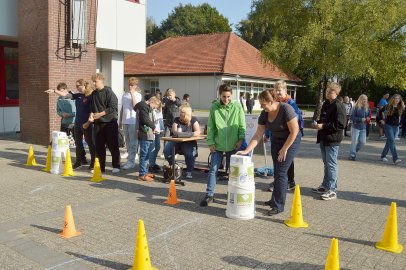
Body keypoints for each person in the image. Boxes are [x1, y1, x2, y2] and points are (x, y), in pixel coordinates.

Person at [237, 89, 301, 215]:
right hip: (277, 140)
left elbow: (295, 131)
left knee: (281, 172)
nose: (261, 106)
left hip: (291, 140)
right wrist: (246, 151)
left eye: (263, 104)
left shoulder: (286, 109)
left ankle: (278, 205)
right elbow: (258, 135)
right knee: (277, 171)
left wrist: (285, 148)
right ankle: (273, 200)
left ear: (271, 101)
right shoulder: (264, 114)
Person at [200, 84, 246, 207]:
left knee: (233, 171)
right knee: (213, 169)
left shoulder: (237, 106)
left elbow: (242, 124)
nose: (226, 99)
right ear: (219, 95)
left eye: (229, 97)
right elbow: (211, 126)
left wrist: (241, 139)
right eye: (224, 96)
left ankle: (231, 193)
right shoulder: (214, 107)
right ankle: (209, 195)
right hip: (218, 144)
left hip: (233, 144)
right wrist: (210, 142)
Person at [45, 80, 95, 170]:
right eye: (76, 86)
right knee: (78, 143)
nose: (76, 88)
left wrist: (88, 122)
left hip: (86, 124)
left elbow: (93, 111)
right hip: (77, 123)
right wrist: (54, 91)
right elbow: (66, 95)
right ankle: (78, 162)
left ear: (84, 85)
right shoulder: (78, 96)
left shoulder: (90, 96)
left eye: (78, 86)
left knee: (90, 143)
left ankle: (93, 163)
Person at [311, 82, 346, 201]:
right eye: (327, 91)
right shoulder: (326, 104)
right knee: (326, 163)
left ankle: (332, 190)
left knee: (331, 164)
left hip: (333, 139)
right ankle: (325, 185)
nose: (327, 93)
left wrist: (324, 126)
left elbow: (340, 124)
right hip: (323, 138)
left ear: (336, 93)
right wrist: (317, 123)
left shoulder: (338, 106)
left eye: (330, 92)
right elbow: (324, 119)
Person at [270, 80, 302, 192]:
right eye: (276, 90)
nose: (278, 92)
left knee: (287, 158)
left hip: (290, 135)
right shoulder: (274, 102)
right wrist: (268, 134)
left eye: (280, 90)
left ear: (285, 90)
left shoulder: (291, 103)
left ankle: (290, 181)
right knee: (277, 159)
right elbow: (272, 120)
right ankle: (278, 180)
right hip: (278, 135)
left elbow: (295, 124)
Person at [90, 73, 120, 173]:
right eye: (93, 81)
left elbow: (113, 107)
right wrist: (91, 115)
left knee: (113, 145)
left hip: (109, 123)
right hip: (98, 123)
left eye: (96, 81)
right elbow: (92, 108)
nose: (94, 83)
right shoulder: (93, 94)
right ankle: (100, 168)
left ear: (102, 81)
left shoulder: (108, 92)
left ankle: (116, 166)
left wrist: (100, 114)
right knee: (99, 146)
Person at [163, 105, 200, 179]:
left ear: (187, 113)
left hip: (189, 142)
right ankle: (175, 166)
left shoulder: (193, 120)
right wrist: (180, 134)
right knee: (167, 151)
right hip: (176, 141)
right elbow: (174, 131)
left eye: (182, 112)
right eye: (180, 112)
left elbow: (198, 132)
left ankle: (189, 171)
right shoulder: (176, 120)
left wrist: (189, 134)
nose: (180, 114)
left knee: (189, 154)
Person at [134, 96, 161, 181]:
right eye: (154, 107)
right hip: (144, 134)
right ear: (152, 102)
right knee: (144, 155)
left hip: (149, 135)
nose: (153, 109)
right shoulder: (143, 107)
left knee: (147, 155)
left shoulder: (146, 107)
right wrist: (153, 127)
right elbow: (145, 119)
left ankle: (145, 172)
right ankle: (142, 175)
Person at [120, 77, 142, 170]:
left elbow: (135, 107)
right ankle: (130, 159)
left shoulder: (138, 95)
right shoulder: (124, 95)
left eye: (132, 85)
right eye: (129, 84)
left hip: (133, 121)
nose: (130, 86)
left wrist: (133, 93)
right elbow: (122, 108)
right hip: (125, 121)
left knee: (133, 143)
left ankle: (131, 162)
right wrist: (120, 120)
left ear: (136, 86)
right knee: (127, 143)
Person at [379, 94, 405, 164]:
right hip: (388, 125)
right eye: (395, 98)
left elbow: (403, 116)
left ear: (400, 100)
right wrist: (381, 119)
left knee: (389, 142)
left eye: (398, 99)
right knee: (392, 141)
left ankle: (383, 155)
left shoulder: (401, 107)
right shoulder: (388, 106)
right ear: (392, 99)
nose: (397, 100)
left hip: (396, 127)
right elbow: (380, 112)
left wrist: (401, 123)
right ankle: (395, 158)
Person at [348, 94, 370, 161]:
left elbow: (368, 115)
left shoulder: (367, 108)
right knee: (354, 142)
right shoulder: (355, 107)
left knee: (362, 142)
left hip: (363, 127)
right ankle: (352, 155)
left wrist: (368, 118)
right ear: (360, 99)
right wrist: (360, 119)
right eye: (363, 99)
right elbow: (351, 117)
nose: (364, 101)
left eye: (365, 99)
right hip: (355, 127)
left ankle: (354, 151)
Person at [149, 93, 164, 173]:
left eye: (158, 106)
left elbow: (160, 118)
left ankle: (153, 163)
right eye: (156, 105)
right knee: (152, 148)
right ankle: (151, 165)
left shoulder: (156, 110)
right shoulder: (150, 110)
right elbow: (154, 118)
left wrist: (160, 109)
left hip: (157, 131)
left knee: (157, 147)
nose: (157, 107)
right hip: (153, 131)